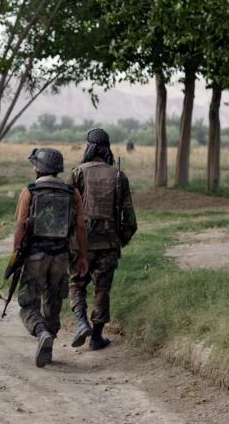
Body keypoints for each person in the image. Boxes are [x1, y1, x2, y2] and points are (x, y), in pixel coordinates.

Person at [12, 148, 88, 367]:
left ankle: (41, 331)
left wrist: (16, 254)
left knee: (28, 304)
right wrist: (83, 256)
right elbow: (81, 227)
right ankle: (49, 345)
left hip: (35, 256)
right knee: (53, 303)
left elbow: (21, 226)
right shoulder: (71, 192)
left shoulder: (30, 190)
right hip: (61, 257)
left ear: (39, 168)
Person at [68, 129, 137, 350]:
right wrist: (118, 241)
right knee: (102, 289)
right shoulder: (119, 175)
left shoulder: (77, 173)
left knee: (76, 283)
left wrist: (70, 242)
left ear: (89, 147)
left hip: (82, 244)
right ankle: (96, 337)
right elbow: (130, 221)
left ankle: (81, 323)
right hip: (109, 243)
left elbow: (68, 212)